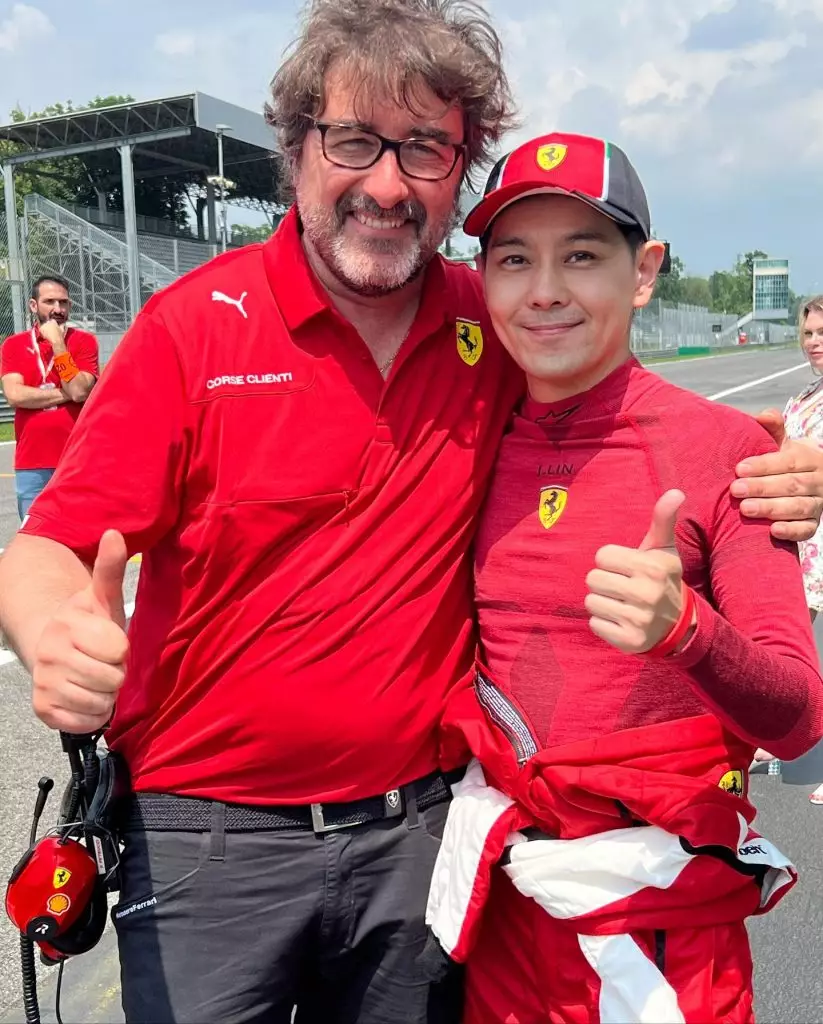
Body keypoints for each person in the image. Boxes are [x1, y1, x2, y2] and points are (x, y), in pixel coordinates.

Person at [0, 2, 820, 1020]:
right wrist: (53, 631)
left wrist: (777, 470)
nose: (386, 185)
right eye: (353, 140)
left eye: (425, 148)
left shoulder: (491, 325)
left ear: (456, 173)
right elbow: (45, 547)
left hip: (421, 841)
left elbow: (615, 409)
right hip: (212, 846)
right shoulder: (192, 329)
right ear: (296, 152)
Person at [425, 132, 823, 1024]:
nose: (544, 290)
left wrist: (688, 632)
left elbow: (798, 717)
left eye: (581, 256)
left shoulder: (724, 451)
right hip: (501, 909)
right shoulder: (469, 436)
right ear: (481, 279)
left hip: (658, 927)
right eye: (514, 259)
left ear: (642, 272)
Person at [754, 296, 823, 801]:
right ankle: (781, 736)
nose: (814, 342)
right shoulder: (803, 399)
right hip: (803, 544)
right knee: (790, 647)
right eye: (808, 334)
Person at [0, 275, 99, 519]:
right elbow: (15, 395)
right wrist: (64, 394)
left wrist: (57, 342)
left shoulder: (84, 342)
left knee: (80, 533)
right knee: (34, 535)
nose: (58, 309)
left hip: (77, 460)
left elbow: (79, 390)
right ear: (34, 305)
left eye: (63, 302)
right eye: (50, 302)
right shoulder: (13, 345)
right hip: (32, 464)